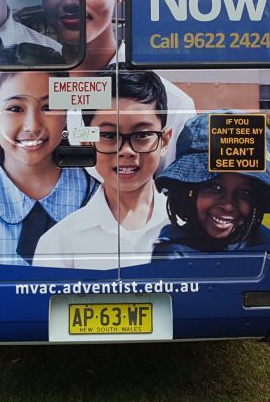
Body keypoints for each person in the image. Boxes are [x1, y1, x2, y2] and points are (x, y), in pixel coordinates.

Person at [34, 72, 173, 269]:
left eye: (142, 135)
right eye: (108, 135)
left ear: (164, 140)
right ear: (87, 141)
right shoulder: (58, 243)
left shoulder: (187, 228)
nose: (126, 151)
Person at [0, 69, 95, 265]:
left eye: (48, 107)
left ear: (65, 114)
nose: (33, 125)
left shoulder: (97, 197)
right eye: (15, 109)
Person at [152, 114, 270, 258]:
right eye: (215, 187)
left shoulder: (266, 241)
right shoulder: (174, 253)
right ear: (189, 190)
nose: (228, 206)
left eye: (245, 193)